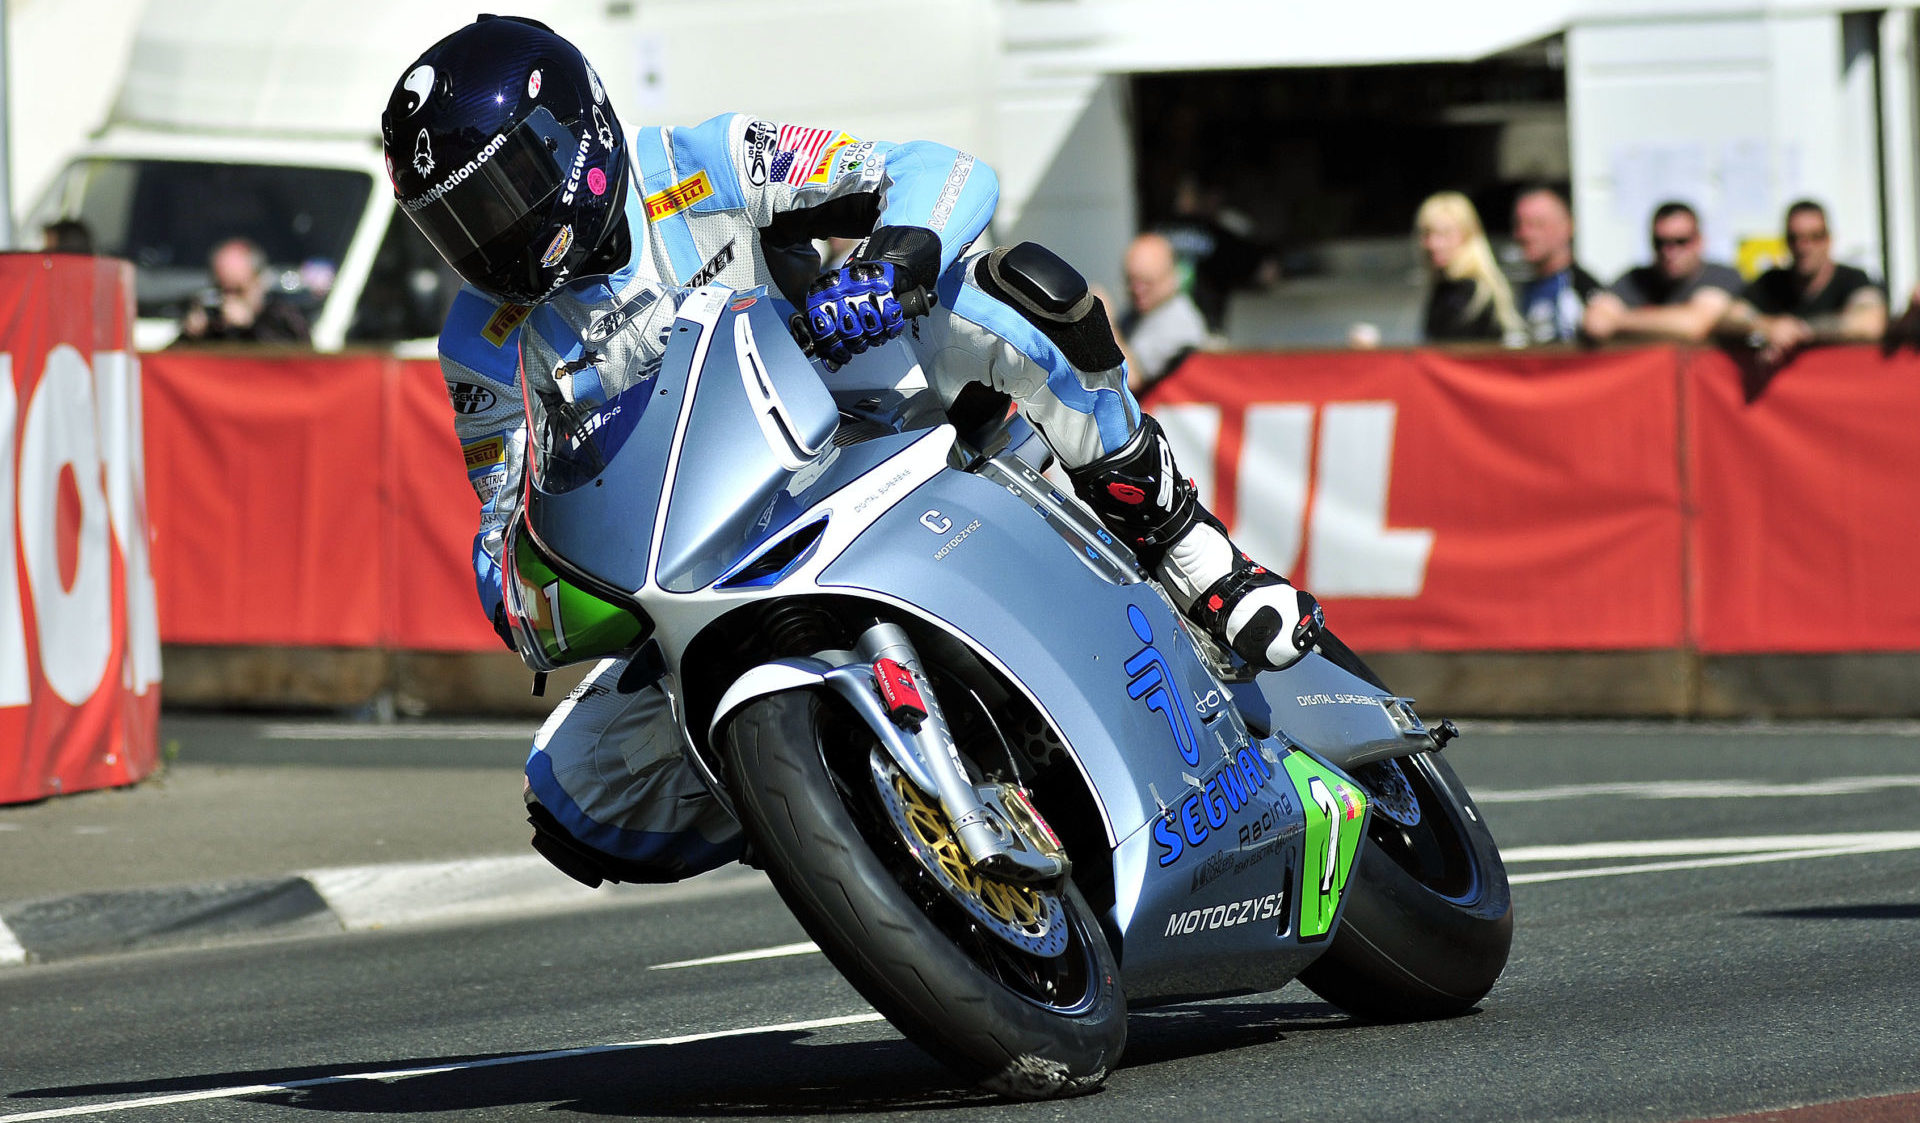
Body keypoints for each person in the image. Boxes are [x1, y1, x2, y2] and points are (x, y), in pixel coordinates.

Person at [381, 16, 1325, 886]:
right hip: (702, 557)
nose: (492, 241)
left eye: (501, 199)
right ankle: (831, 800)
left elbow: (942, 171)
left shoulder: (701, 166)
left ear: (574, 143)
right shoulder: (481, 340)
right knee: (573, 792)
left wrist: (888, 265)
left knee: (1001, 294)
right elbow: (502, 509)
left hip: (856, 423)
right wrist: (523, 592)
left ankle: (1194, 554)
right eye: (456, 224)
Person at [1720, 200, 1885, 368]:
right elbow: (1729, 318)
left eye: (1814, 237)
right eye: (1794, 238)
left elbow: (1870, 322)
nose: (1804, 247)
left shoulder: (1853, 279)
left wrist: (1803, 331)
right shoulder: (1771, 282)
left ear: (1828, 240)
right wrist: (1767, 327)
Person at [1582, 202, 1741, 344]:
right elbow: (1595, 323)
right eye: (1660, 242)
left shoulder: (1721, 275)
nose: (1669, 251)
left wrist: (1617, 321)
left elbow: (1693, 325)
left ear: (1699, 241)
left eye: (1680, 241)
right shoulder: (1636, 279)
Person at [1415, 191, 1522, 344]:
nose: (1433, 244)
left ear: (1468, 235)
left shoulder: (1471, 293)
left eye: (1445, 234)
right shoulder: (1447, 287)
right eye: (1427, 234)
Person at [175, 237, 311, 344]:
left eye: (238, 291)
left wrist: (249, 328)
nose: (229, 299)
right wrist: (189, 336)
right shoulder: (214, 326)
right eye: (223, 290)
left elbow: (298, 366)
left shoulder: (282, 318)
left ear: (258, 282)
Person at [1119, 232, 1209, 393]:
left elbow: (1130, 378)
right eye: (1131, 281)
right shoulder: (1137, 315)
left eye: (1147, 282)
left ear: (1172, 277)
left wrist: (1105, 323)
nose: (1137, 290)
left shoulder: (1179, 322)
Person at [1512, 186, 1600, 344]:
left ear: (1567, 226)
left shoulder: (1585, 291)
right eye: (1519, 224)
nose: (1525, 234)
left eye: (1537, 224)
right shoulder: (1515, 293)